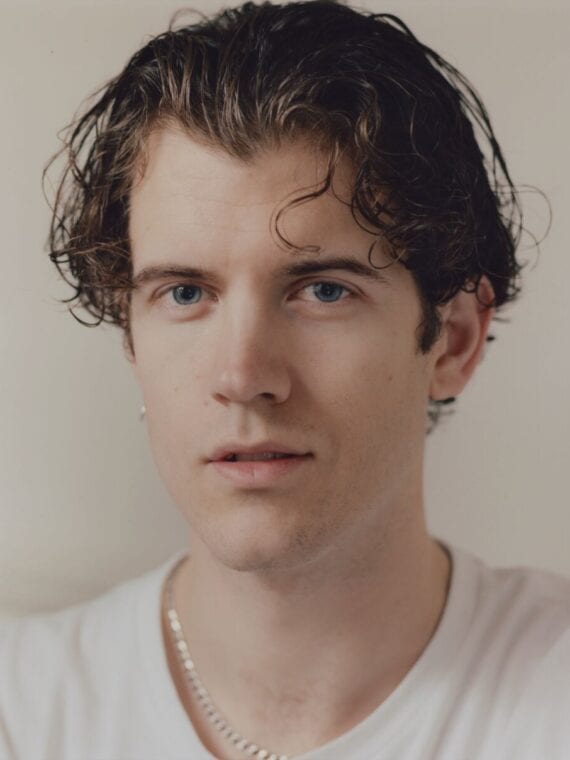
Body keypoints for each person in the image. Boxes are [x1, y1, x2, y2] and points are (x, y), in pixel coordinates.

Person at [1, 1, 568, 758]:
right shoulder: (22, 713)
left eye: (323, 291)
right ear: (132, 339)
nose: (243, 376)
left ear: (453, 341)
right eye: (185, 293)